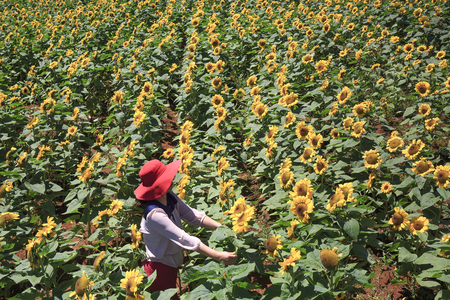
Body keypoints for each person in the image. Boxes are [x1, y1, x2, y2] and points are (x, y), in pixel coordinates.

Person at [135, 159, 237, 299]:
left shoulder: (169, 196)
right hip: (159, 267)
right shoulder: (154, 214)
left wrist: (223, 228)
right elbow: (183, 238)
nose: (172, 178)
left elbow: (193, 216)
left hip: (171, 259)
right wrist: (217, 255)